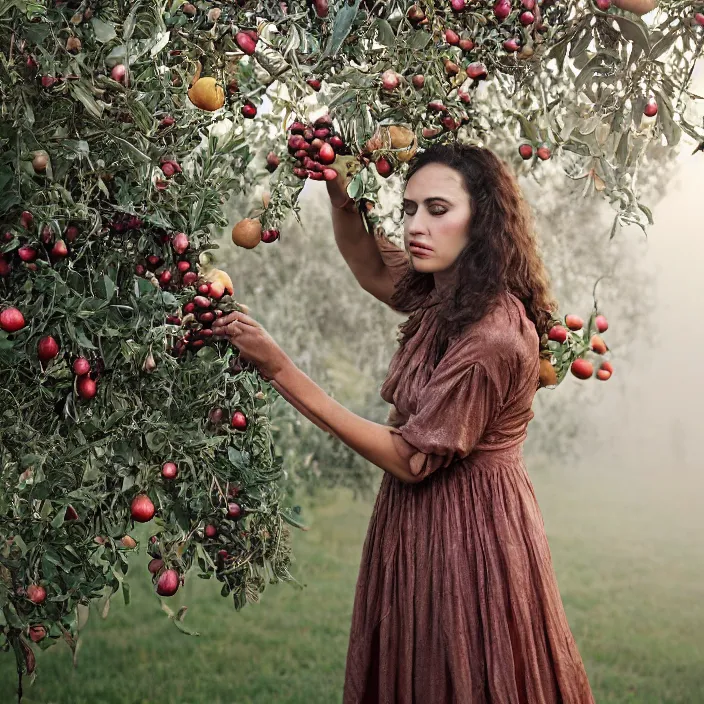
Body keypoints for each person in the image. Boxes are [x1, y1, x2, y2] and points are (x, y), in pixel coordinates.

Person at [213, 142, 595, 703]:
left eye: (438, 210)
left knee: (469, 671)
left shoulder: (492, 335)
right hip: (419, 522)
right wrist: (340, 190)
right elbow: (369, 264)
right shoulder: (447, 295)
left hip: (473, 533)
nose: (417, 225)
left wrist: (279, 369)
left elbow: (411, 459)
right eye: (410, 209)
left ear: (482, 219)